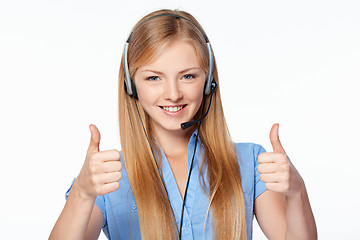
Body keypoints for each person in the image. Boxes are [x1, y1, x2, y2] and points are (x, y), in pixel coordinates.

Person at [49, 9, 317, 240]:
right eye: (154, 78)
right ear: (131, 86)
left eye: (188, 76)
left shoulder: (250, 162)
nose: (173, 93)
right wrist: (83, 193)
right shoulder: (108, 177)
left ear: (209, 80)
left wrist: (296, 191)